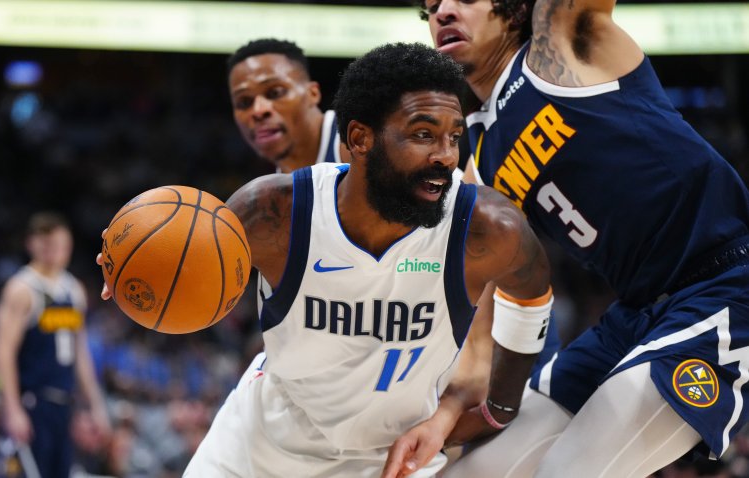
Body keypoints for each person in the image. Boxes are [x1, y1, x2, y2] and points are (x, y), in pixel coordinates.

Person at [98, 42, 552, 476]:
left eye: (454, 137)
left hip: (391, 456)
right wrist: (129, 271)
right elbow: (184, 256)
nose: (446, 157)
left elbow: (532, 292)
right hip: (259, 447)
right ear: (359, 138)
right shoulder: (273, 214)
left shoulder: (486, 227)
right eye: (422, 135)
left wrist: (500, 408)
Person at [383, 1, 749, 477]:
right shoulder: (479, 157)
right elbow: (486, 304)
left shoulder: (563, 40)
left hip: (725, 285)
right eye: (431, 7)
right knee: (470, 473)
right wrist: (451, 409)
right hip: (633, 316)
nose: (443, 12)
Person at [0, 212, 110, 478]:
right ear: (32, 244)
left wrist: (96, 405)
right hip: (32, 402)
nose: (55, 252)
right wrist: (11, 409)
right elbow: (3, 350)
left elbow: (81, 353)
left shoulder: (73, 290)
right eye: (48, 245)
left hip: (64, 406)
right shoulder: (21, 288)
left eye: (60, 246)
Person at [227, 38, 349, 174]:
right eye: (244, 102)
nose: (259, 110)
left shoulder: (357, 143)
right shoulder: (275, 188)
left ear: (313, 93)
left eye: (275, 93)